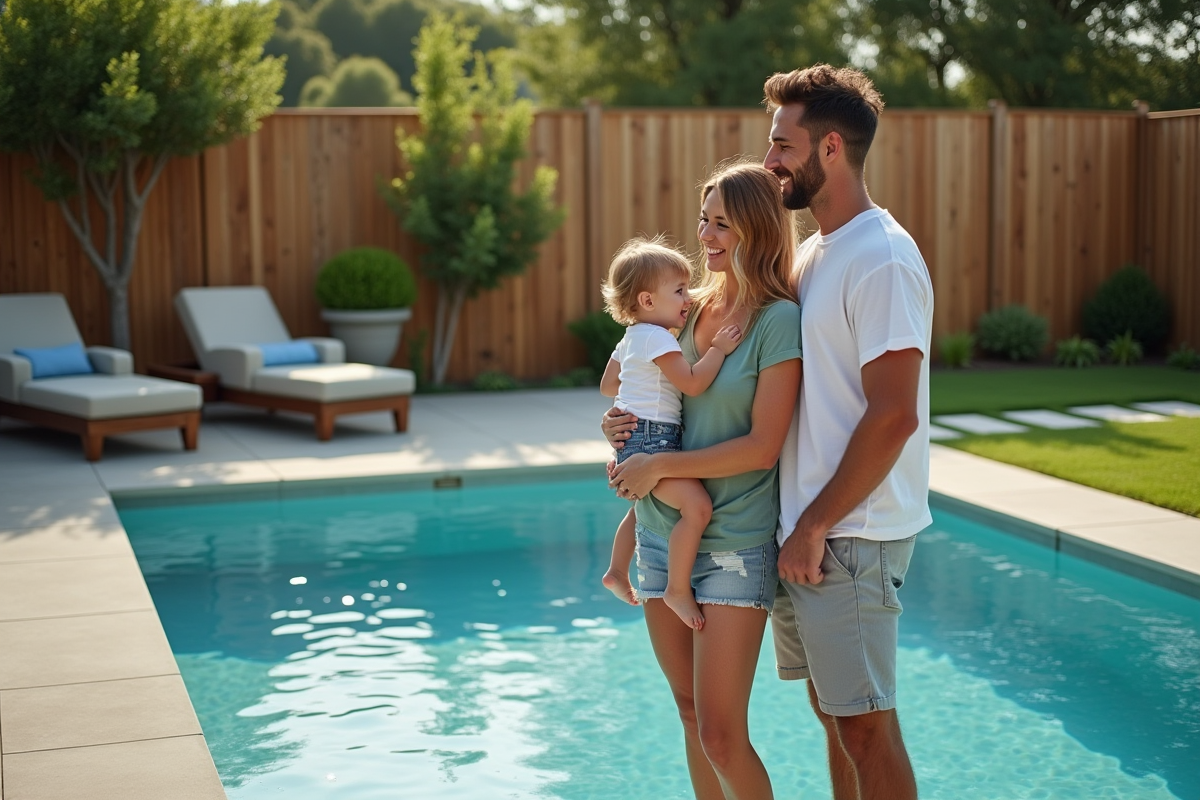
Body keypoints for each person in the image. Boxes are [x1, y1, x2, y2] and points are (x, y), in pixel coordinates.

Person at [604, 161, 801, 800]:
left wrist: (659, 465)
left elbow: (763, 447)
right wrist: (620, 427)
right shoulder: (687, 311)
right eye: (704, 220)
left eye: (722, 223)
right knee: (689, 716)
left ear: (756, 230)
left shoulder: (776, 322)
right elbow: (646, 394)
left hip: (735, 545)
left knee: (720, 733)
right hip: (662, 536)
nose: (707, 235)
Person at [764, 65, 934, 800]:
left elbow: (895, 413)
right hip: (810, 527)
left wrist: (816, 524)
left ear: (829, 149)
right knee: (835, 715)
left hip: (848, 530)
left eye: (781, 143)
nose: (768, 159)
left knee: (866, 725)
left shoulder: (882, 258)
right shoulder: (816, 250)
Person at [598, 236, 745, 630]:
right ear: (648, 301)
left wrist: (623, 407)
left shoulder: (631, 337)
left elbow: (608, 385)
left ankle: (616, 570)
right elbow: (693, 383)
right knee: (696, 509)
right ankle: (677, 589)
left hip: (637, 438)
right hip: (653, 439)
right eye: (679, 290)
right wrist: (718, 349)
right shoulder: (659, 338)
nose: (688, 298)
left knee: (641, 506)